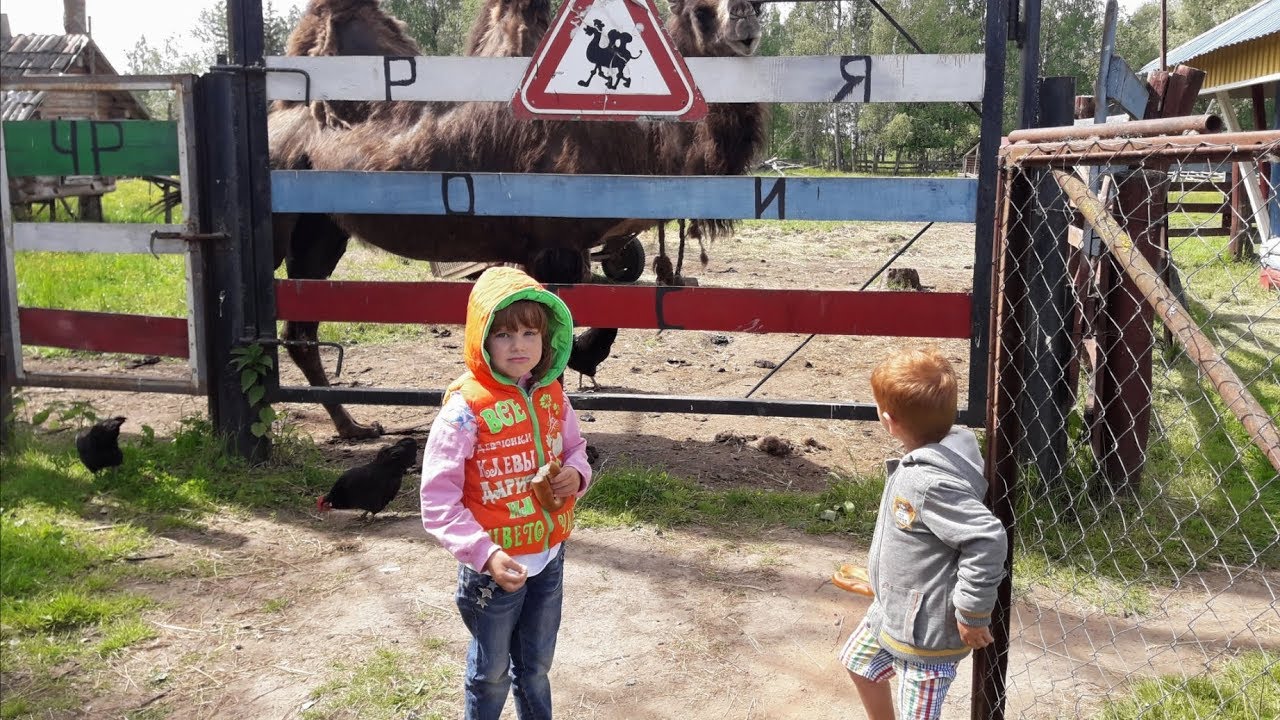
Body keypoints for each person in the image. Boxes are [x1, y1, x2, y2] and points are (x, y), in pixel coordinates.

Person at [420, 266, 593, 720]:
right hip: (494, 571)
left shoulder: (552, 393)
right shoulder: (465, 410)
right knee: (491, 673)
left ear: (547, 337)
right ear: (481, 340)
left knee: (535, 668)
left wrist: (576, 474)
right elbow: (438, 501)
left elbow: (575, 448)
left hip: (549, 557)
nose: (518, 345)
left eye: (529, 332)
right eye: (503, 334)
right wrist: (485, 554)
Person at [840, 348, 1008, 720]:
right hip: (892, 611)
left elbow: (987, 538)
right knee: (858, 663)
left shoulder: (927, 480)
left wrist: (971, 611)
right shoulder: (929, 460)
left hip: (927, 634)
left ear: (888, 420)